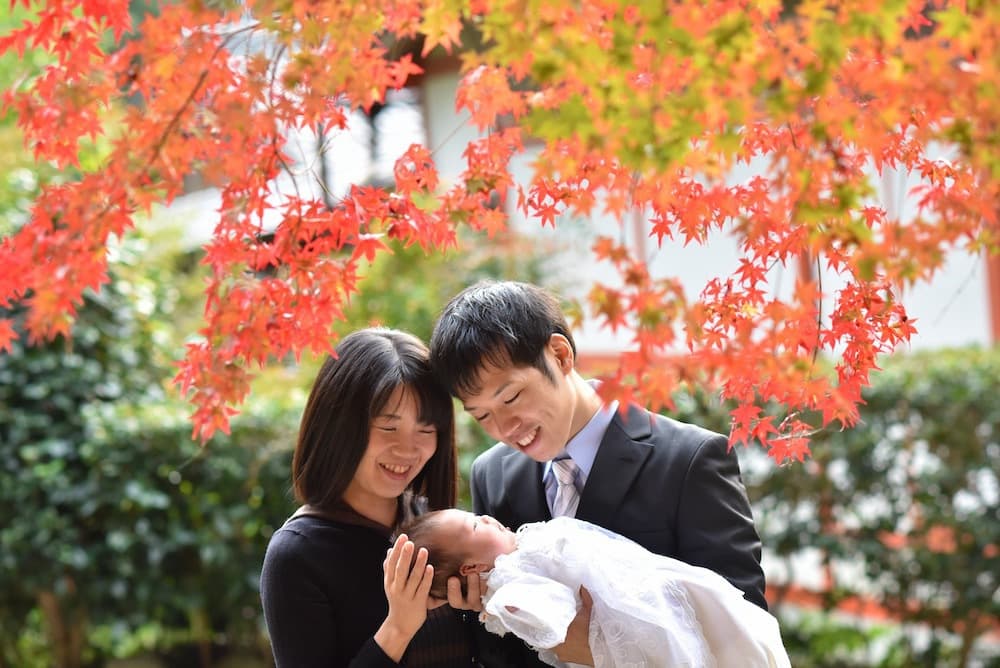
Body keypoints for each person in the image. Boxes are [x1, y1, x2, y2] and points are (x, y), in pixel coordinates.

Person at [429, 280, 768, 665]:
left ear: (559, 355)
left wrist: (597, 650)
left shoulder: (690, 460)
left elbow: (744, 631)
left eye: (511, 397)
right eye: (483, 415)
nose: (506, 427)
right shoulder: (493, 474)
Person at [260, 328, 485, 667]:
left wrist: (482, 614)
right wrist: (398, 628)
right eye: (388, 427)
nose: (408, 449)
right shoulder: (298, 556)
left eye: (426, 430)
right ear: (339, 426)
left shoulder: (435, 526)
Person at [400, 509, 790, 668]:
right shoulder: (509, 584)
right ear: (471, 567)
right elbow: (549, 617)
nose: (485, 516)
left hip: (653, 586)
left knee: (721, 620)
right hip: (636, 620)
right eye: (474, 526)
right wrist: (498, 608)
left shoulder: (525, 545)